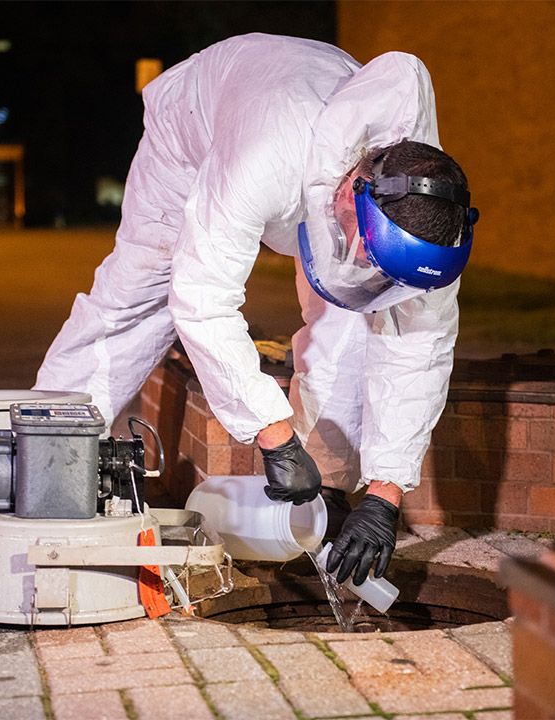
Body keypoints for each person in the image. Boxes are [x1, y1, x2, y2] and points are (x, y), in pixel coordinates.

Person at [35, 33, 476, 587]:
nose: (374, 275)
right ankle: (47, 454)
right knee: (144, 293)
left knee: (354, 319)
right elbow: (203, 298)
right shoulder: (263, 159)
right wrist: (273, 434)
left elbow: (421, 345)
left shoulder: (425, 209)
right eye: (373, 258)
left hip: (312, 133)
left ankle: (328, 502)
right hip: (198, 128)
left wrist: (386, 494)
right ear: (355, 194)